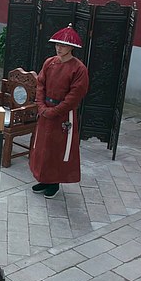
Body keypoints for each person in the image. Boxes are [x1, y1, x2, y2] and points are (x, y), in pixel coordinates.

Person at [29, 24, 90, 199]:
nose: (59, 48)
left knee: (58, 149)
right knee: (42, 146)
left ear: (71, 47)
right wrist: (41, 106)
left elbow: (75, 95)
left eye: (63, 45)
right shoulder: (49, 62)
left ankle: (54, 182)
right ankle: (43, 178)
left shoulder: (79, 69)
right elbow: (40, 84)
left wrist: (55, 111)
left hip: (63, 114)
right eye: (57, 44)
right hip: (45, 110)